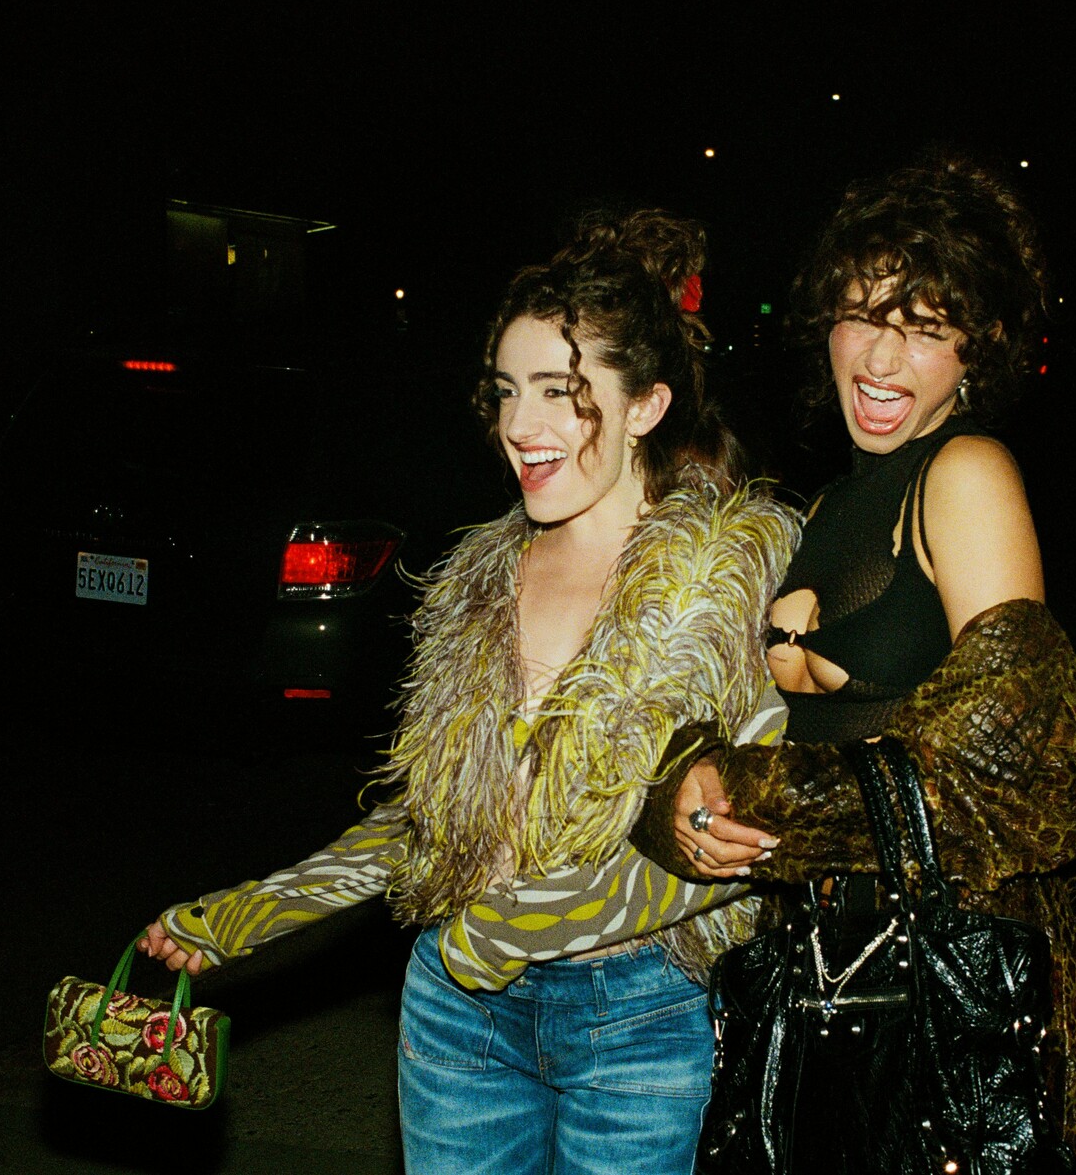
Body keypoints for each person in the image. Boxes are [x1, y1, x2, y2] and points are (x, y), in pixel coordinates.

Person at [139, 210, 800, 1174]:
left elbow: (745, 837)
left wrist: (526, 924)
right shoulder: (476, 581)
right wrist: (254, 910)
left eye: (561, 392)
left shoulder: (733, 577)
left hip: (638, 1020)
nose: (520, 427)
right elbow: (433, 818)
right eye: (505, 391)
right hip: (458, 1016)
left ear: (646, 405)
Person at [629, 154, 1076, 1173]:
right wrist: (675, 800)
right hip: (812, 978)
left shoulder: (966, 472)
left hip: (937, 996)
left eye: (926, 326)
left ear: (977, 349)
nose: (882, 355)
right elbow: (746, 734)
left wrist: (756, 792)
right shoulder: (824, 509)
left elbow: (1014, 763)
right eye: (862, 314)